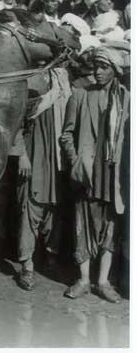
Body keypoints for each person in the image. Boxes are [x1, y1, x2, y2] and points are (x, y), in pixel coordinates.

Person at [60, 47, 128, 303]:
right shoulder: (80, 95)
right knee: (83, 224)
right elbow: (66, 134)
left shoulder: (127, 99)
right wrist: (76, 160)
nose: (98, 71)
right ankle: (83, 279)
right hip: (87, 172)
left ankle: (103, 281)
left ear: (114, 70)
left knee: (110, 226)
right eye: (96, 66)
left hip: (113, 173)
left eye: (104, 67)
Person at [14, 61, 73, 291]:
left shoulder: (63, 79)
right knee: (29, 207)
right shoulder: (27, 79)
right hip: (33, 152)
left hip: (57, 156)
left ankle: (50, 258)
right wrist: (21, 155)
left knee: (54, 209)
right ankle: (26, 264)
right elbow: (15, 121)